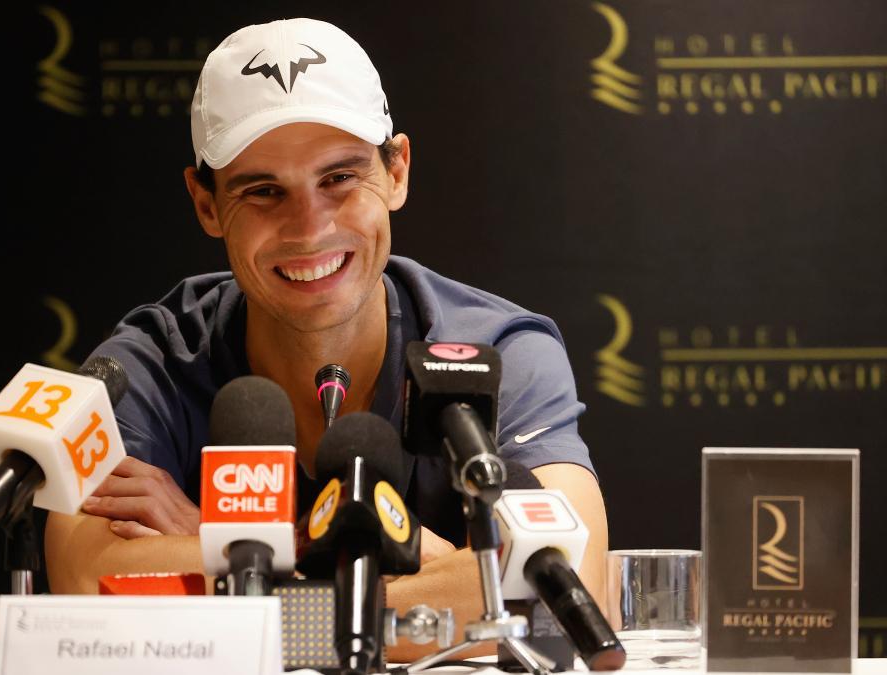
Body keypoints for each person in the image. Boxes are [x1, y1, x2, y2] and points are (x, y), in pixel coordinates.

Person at [45, 17, 607, 661]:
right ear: (205, 203)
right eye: (263, 191)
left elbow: (568, 586)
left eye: (339, 178)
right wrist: (414, 561)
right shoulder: (149, 364)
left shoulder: (501, 352)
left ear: (396, 171)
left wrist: (237, 546)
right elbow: (88, 588)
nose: (308, 228)